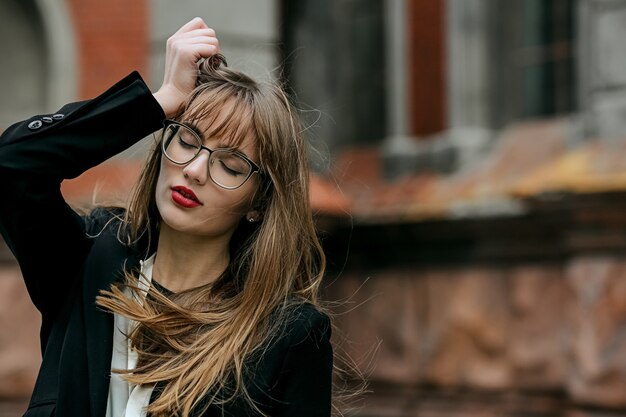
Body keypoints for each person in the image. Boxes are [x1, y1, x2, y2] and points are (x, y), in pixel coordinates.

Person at [0, 17, 336, 417]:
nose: (194, 170)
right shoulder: (87, 263)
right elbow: (13, 165)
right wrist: (159, 100)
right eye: (188, 139)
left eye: (230, 166)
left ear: (258, 204)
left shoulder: (287, 334)